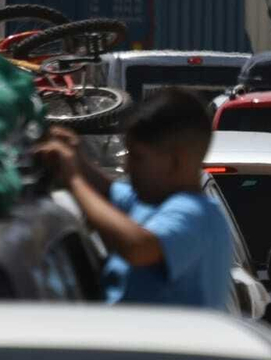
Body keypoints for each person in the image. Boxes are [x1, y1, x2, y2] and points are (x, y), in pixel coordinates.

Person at [37, 90, 233, 310]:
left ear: (177, 162)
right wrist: (75, 156)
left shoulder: (198, 214)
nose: (129, 168)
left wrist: (74, 179)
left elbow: (138, 247)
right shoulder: (151, 203)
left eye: (138, 157)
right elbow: (108, 192)